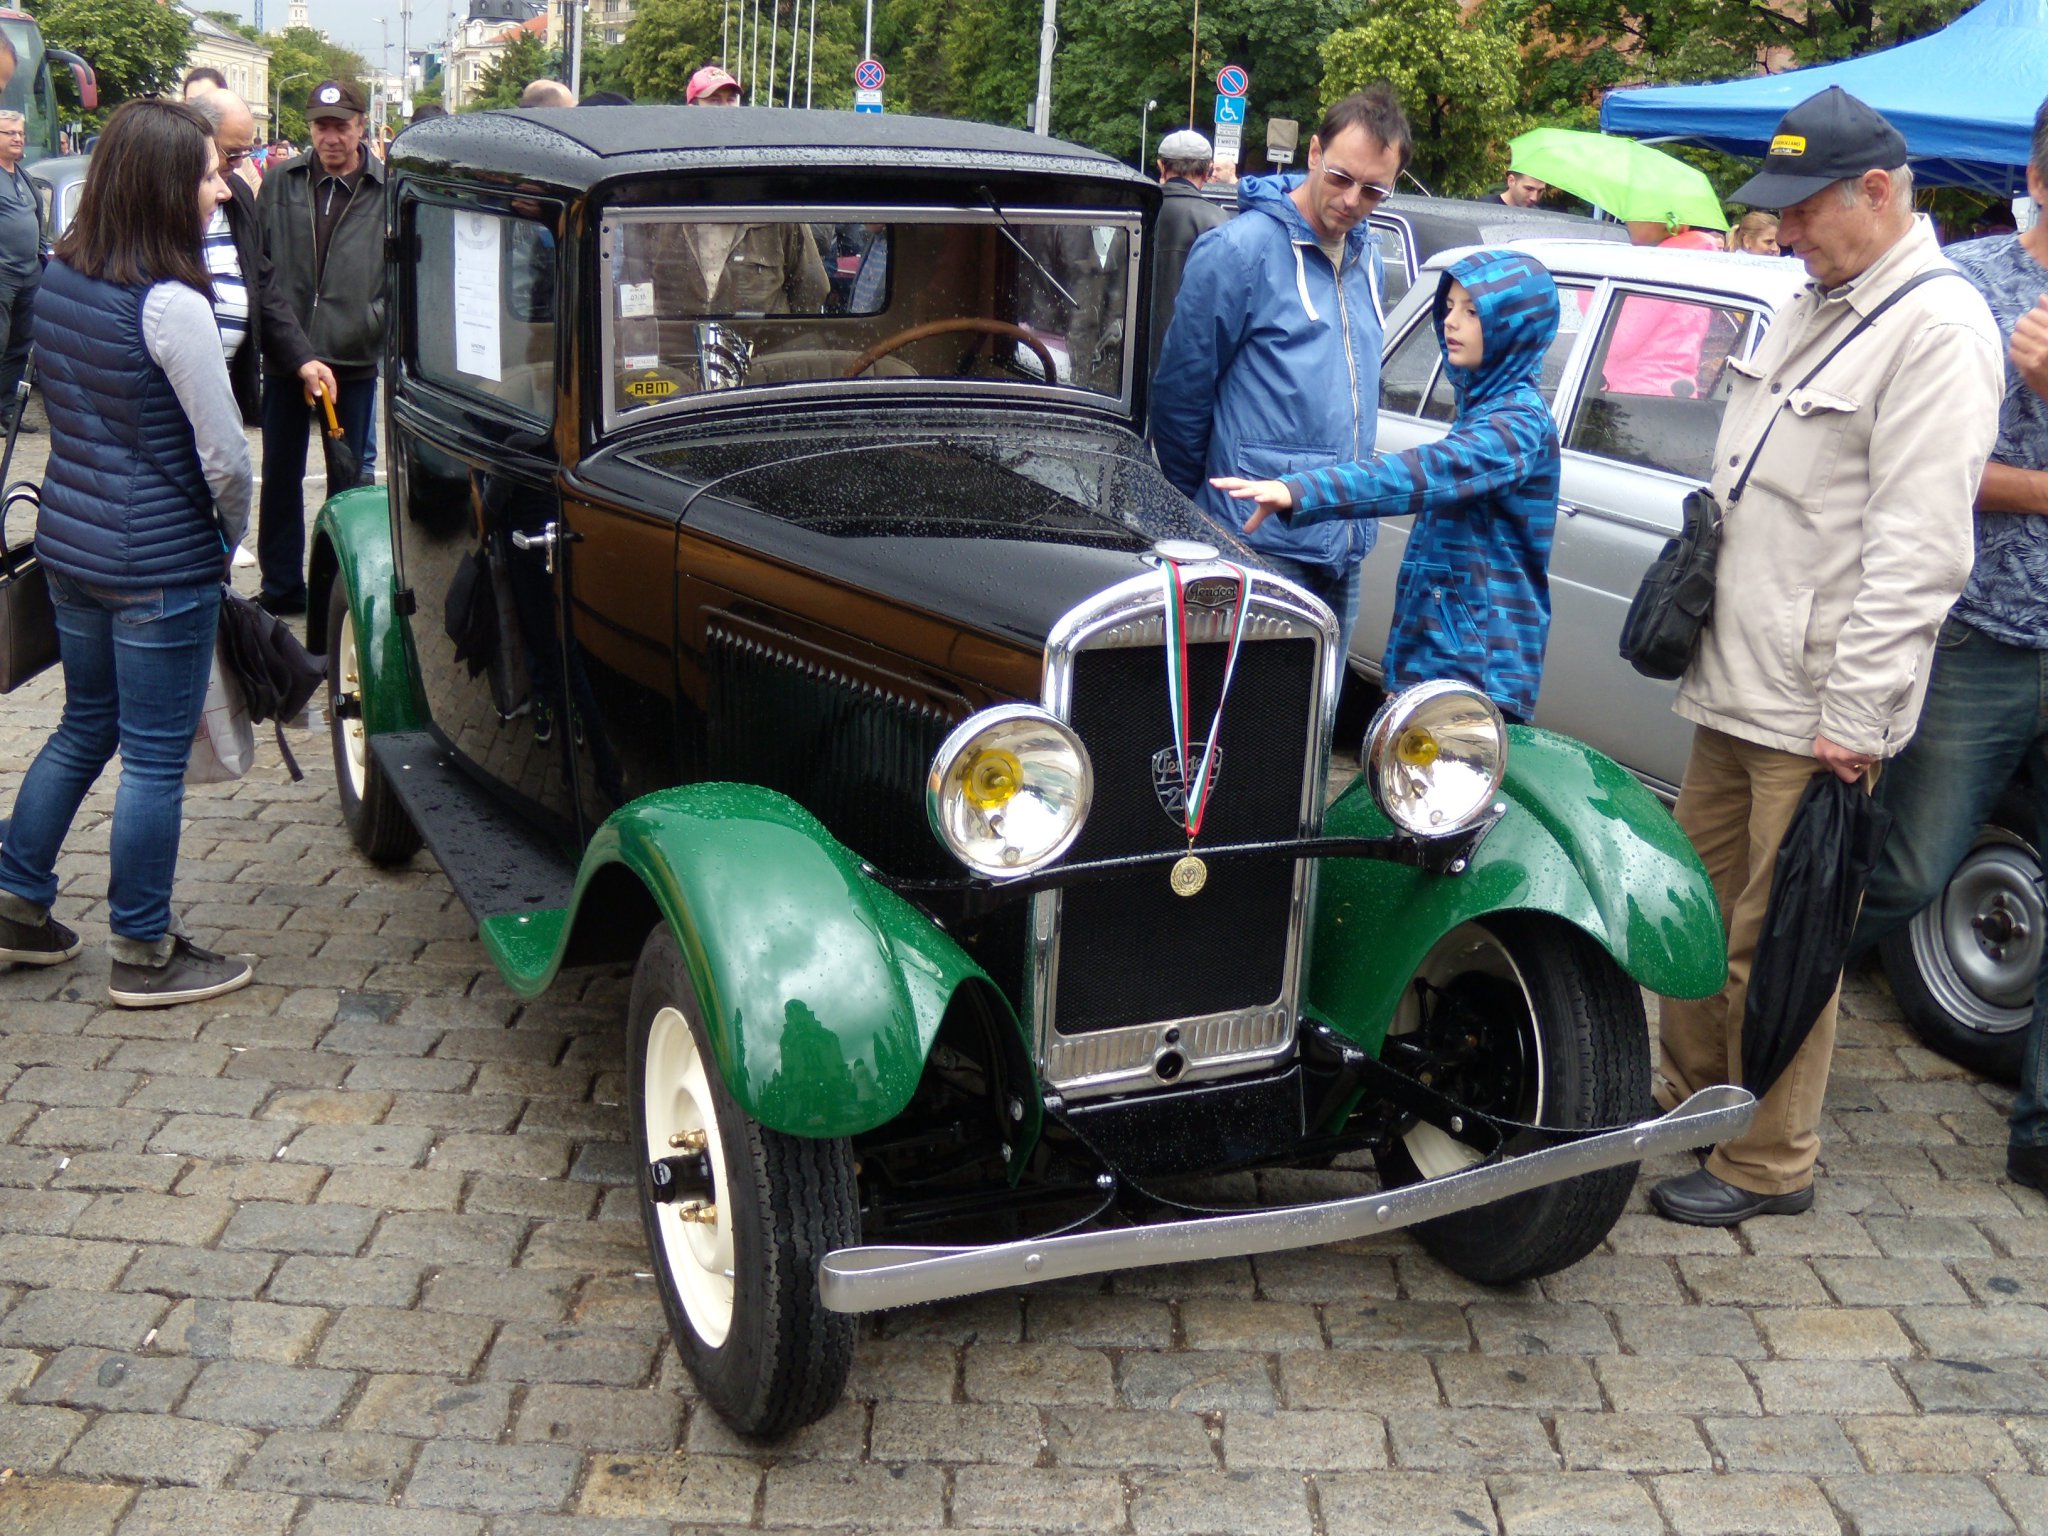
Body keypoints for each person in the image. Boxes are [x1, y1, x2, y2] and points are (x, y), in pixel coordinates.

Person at [1647, 86, 2002, 1227]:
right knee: (1694, 912)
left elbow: (1919, 550)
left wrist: (1856, 714)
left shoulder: (1938, 328)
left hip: (1816, 704)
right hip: (1738, 676)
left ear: (1877, 192)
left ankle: (1767, 1160)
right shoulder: (1820, 297)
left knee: (1781, 941)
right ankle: (1685, 1099)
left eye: (1804, 208)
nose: (1784, 228)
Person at [0, 99, 254, 1006]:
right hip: (157, 566)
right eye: (207, 173)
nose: (221, 187)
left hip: (71, 547)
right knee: (151, 757)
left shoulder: (64, 273)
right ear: (162, 186)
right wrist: (229, 537)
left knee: (84, 724)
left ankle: (14, 900)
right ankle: (144, 949)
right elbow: (226, 457)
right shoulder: (173, 305)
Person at [1849, 98, 2048, 1195]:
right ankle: (1751, 1009)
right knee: (1906, 869)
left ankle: (2040, 1135)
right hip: (1979, 636)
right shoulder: (1967, 290)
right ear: (2037, 177)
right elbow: (1919, 466)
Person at [1213, 250, 1562, 723]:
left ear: (1514, 327)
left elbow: (1425, 472)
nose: (1451, 322)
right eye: (1449, 307)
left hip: (1477, 672)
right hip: (1442, 657)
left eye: (1473, 311)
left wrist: (1302, 490)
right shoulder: (1484, 408)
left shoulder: (1518, 423)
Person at [1150, 86, 1411, 657]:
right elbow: (1180, 396)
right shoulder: (1237, 251)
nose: (1352, 200)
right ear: (1314, 153)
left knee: (1319, 707)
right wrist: (1205, 510)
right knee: (1251, 709)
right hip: (1255, 544)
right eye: (1340, 177)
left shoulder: (1367, 259)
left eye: (1373, 190)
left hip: (1343, 542)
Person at [254, 79, 385, 616]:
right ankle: (282, 586)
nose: (331, 137)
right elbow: (260, 264)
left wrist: (375, 321)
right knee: (280, 475)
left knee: (348, 482)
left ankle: (340, 592)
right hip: (288, 354)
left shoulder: (386, 187)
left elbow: (404, 272)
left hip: (351, 355)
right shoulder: (280, 181)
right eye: (320, 126)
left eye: (341, 126)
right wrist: (286, 343)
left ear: (361, 126)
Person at [186, 92, 336, 434]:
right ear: (197, 140)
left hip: (222, 396)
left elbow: (260, 281)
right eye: (231, 153)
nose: (239, 163)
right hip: (171, 396)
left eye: (246, 152)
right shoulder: (161, 204)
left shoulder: (237, 195)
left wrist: (302, 357)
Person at [1148, 128, 1228, 376]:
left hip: (1130, 357)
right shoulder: (1220, 223)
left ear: (1161, 167)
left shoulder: (1137, 214)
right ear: (1208, 171)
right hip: (1191, 362)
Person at [0, 110, 40, 436]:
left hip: (29, 274)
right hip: (3, 274)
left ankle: (6, 411)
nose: (17, 138)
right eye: (9, 133)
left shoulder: (23, 176)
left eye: (20, 133)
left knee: (19, 345)